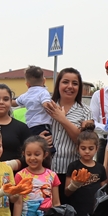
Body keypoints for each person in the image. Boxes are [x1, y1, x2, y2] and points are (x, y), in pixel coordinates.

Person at [42, 68, 93, 198]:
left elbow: (82, 140)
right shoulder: (46, 107)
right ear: (58, 84)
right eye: (65, 82)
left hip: (72, 174)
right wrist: (38, 139)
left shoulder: (85, 111)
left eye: (75, 83)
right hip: (45, 170)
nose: (70, 86)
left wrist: (62, 119)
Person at [14, 135, 60, 216]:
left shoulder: (52, 175)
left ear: (45, 154)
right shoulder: (20, 175)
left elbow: (57, 203)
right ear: (23, 154)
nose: (32, 158)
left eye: (37, 154)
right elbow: (18, 202)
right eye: (28, 154)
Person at [63, 131, 108, 216]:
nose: (87, 151)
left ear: (97, 148)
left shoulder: (100, 168)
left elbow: (104, 191)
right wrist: (74, 185)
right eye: (83, 148)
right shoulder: (73, 166)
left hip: (95, 210)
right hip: (77, 211)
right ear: (78, 148)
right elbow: (67, 193)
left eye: (91, 148)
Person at [16, 65, 55, 146]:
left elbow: (14, 103)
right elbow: (46, 104)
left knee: (34, 146)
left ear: (27, 84)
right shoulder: (43, 92)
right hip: (42, 125)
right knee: (47, 148)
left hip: (30, 126)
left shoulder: (25, 95)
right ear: (44, 80)